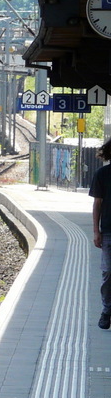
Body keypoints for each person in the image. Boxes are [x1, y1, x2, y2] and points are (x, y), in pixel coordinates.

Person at [89, 138, 111, 329]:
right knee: (107, 273)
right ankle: (106, 311)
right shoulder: (102, 174)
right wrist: (96, 231)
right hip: (109, 232)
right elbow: (97, 204)